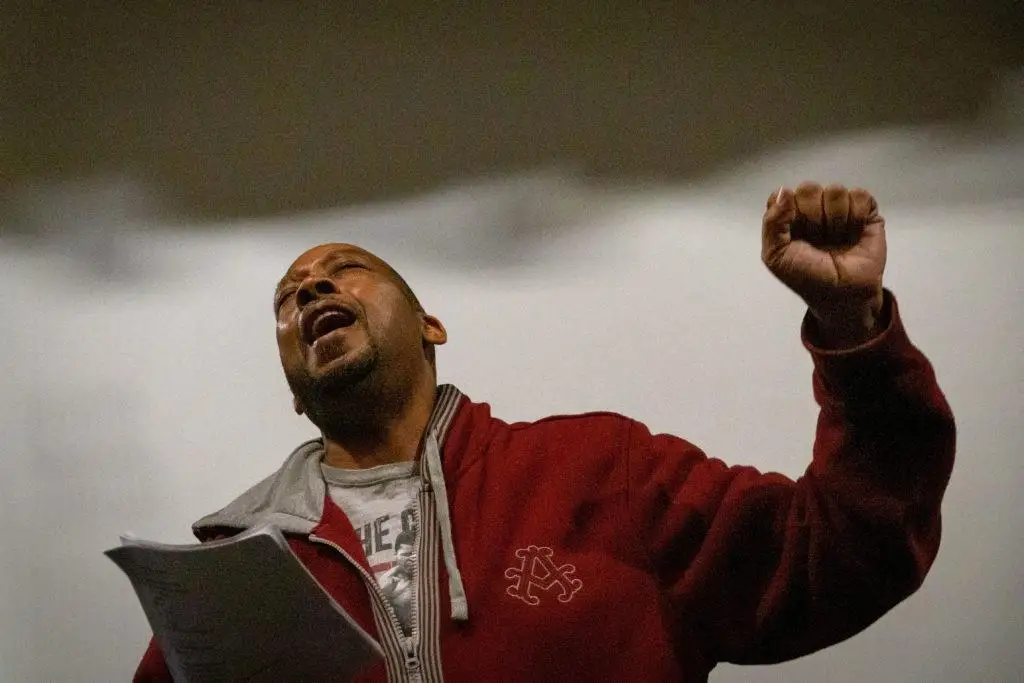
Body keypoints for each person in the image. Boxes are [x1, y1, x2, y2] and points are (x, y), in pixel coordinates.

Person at [131, 182, 956, 682]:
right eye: (287, 296)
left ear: (432, 326)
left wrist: (852, 327)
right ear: (292, 390)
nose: (310, 290)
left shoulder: (601, 469)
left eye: (343, 269)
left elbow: (846, 549)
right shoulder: (233, 573)